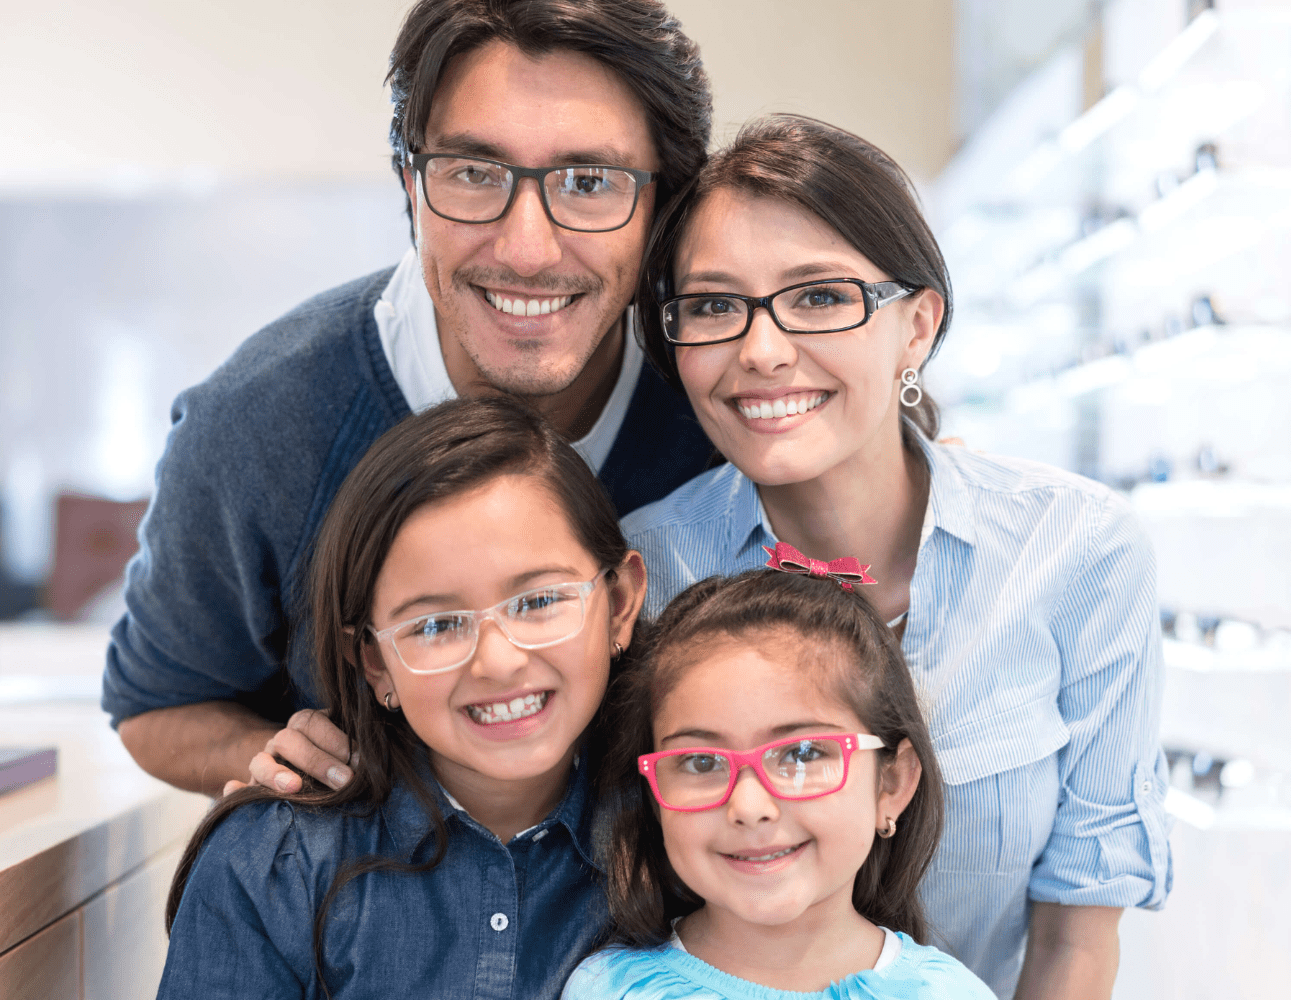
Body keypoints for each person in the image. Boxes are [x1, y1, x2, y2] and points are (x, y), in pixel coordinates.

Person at [619, 114, 1171, 998]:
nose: (761, 351)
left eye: (819, 297)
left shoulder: (1078, 553)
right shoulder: (642, 572)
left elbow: (1075, 938)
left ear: (917, 328)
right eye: (716, 307)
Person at [103, 0, 714, 797]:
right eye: (472, 173)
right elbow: (158, 704)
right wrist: (286, 758)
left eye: (590, 181)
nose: (527, 249)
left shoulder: (721, 394)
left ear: (664, 207)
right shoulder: (259, 425)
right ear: (410, 185)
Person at [158, 394, 647, 999]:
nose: (497, 661)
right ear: (374, 662)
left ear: (620, 604)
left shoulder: (689, 833)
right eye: (436, 626)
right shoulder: (273, 863)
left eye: (539, 601)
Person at [562, 569, 997, 1000]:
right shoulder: (609, 990)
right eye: (700, 762)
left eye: (802, 754)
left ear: (892, 783)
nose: (749, 806)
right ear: (654, 796)